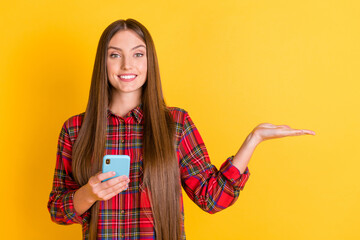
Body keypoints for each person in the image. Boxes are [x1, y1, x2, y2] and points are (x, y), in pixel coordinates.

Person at [47, 19, 315, 240]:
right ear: (102, 64)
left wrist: (253, 139)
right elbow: (58, 210)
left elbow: (212, 198)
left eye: (138, 54)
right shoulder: (75, 129)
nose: (127, 65)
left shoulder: (176, 123)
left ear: (149, 61)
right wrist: (89, 193)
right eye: (115, 55)